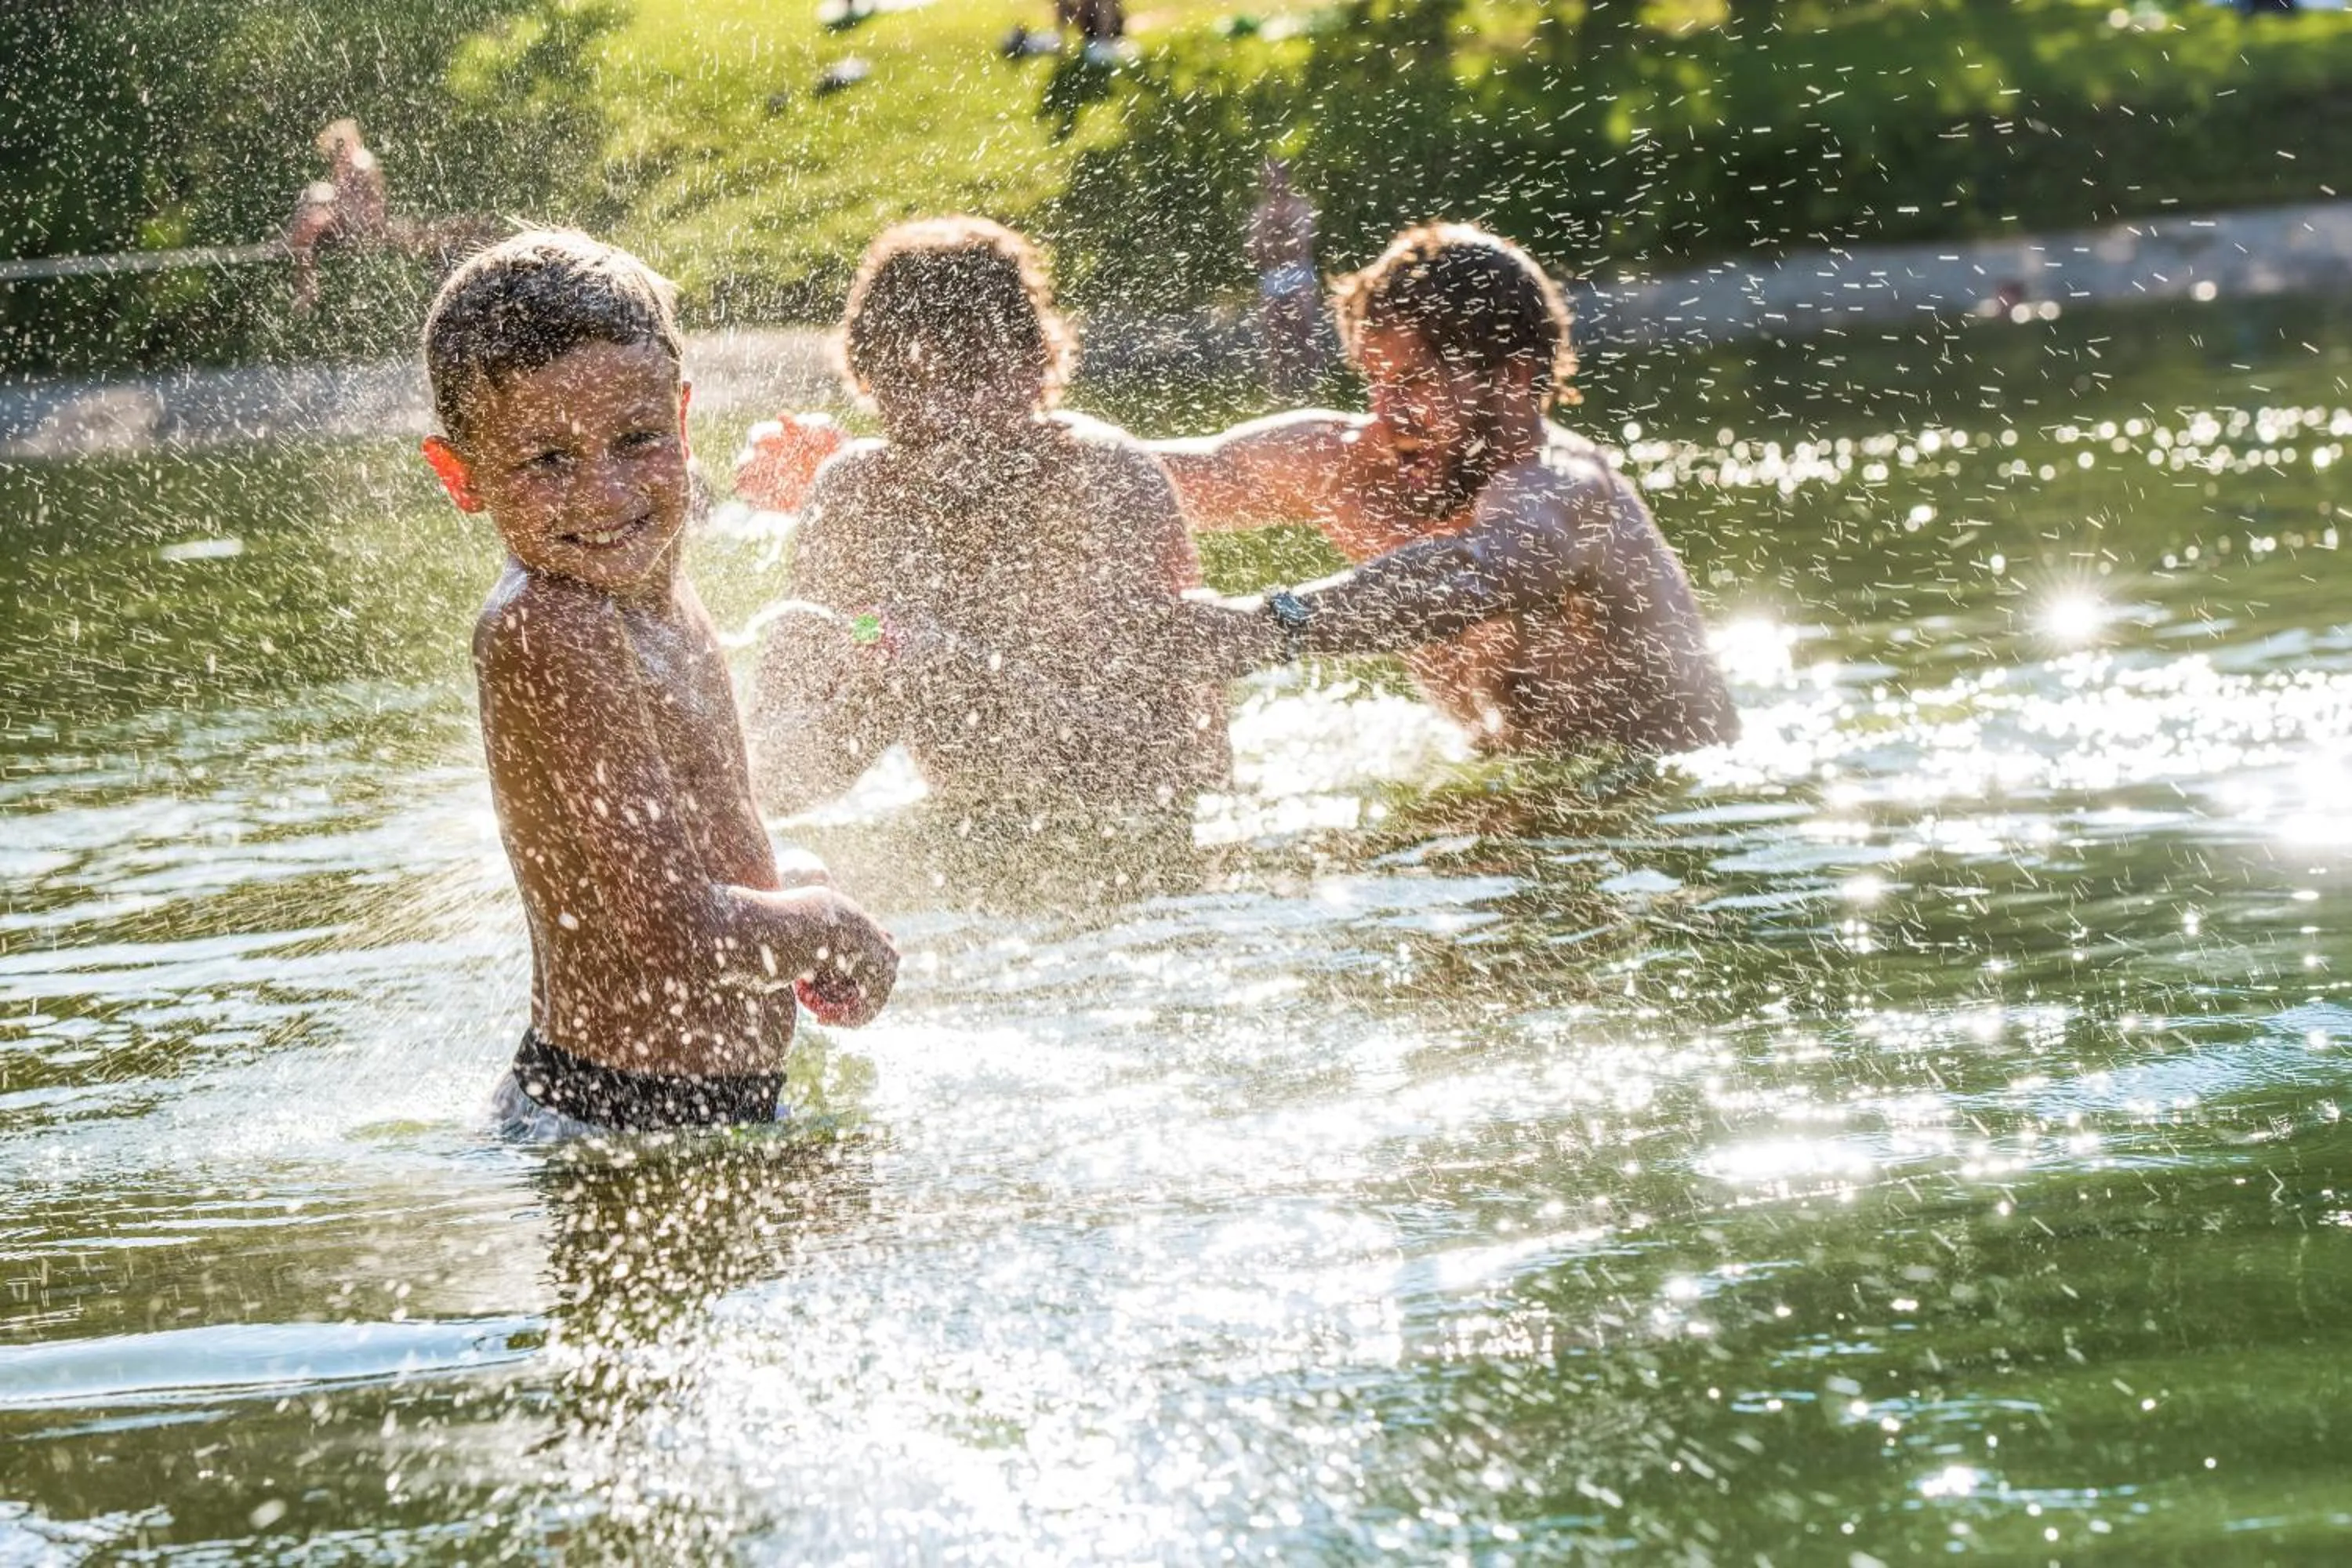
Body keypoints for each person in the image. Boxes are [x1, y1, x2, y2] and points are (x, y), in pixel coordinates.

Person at [416, 230, 898, 1137]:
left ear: (680, 421)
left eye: (636, 440)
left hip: (688, 1108)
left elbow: (679, 851)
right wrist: (831, 924)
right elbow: (675, 931)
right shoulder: (554, 625)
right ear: (461, 476)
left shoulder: (653, 590)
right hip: (619, 1121)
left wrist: (783, 876)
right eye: (547, 460)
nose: (603, 493)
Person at [1155, 222, 1739, 756]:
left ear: (1512, 375)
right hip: (1507, 783)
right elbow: (1141, 478)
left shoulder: (1565, 490)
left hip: (1654, 803)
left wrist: (1264, 627)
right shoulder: (1349, 470)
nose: (1387, 415)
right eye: (1376, 383)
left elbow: (1474, 572)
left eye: (1412, 381)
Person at [745, 216, 1227, 824]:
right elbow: (765, 768)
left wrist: (959, 673)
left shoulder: (1106, 479)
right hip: (956, 827)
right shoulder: (855, 493)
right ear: (863, 378)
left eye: (970, 375)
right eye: (902, 378)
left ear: (1035, 365)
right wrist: (872, 666)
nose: (936, 409)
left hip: (1141, 835)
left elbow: (1180, 763)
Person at [284, 118, 390, 310]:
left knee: (310, 220)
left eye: (337, 146)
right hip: (350, 217)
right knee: (312, 201)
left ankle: (307, 285)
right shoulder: (347, 163)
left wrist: (370, 223)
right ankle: (305, 276)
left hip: (359, 220)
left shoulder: (360, 161)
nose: (335, 153)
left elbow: (371, 200)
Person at [1247, 158, 1323, 394]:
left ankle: (1312, 376)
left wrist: (1275, 242)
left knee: (1304, 324)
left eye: (1278, 176)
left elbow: (1300, 247)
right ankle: (1277, 380)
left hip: (1298, 273)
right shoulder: (1261, 211)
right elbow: (1254, 250)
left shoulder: (1300, 207)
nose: (1274, 182)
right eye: (1270, 177)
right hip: (1274, 276)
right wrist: (1274, 245)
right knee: (1273, 325)